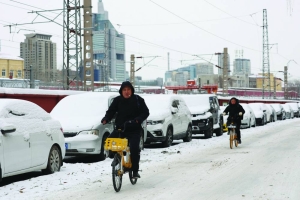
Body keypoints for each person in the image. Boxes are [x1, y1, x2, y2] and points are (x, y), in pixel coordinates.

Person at [101, 81, 149, 178]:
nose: (126, 92)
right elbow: (111, 111)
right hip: (120, 129)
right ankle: (117, 158)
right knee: (109, 142)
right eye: (124, 90)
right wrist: (106, 118)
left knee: (134, 149)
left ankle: (135, 171)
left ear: (131, 90)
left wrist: (138, 119)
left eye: (128, 90)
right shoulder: (117, 100)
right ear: (121, 91)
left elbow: (145, 112)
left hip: (134, 130)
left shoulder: (138, 100)